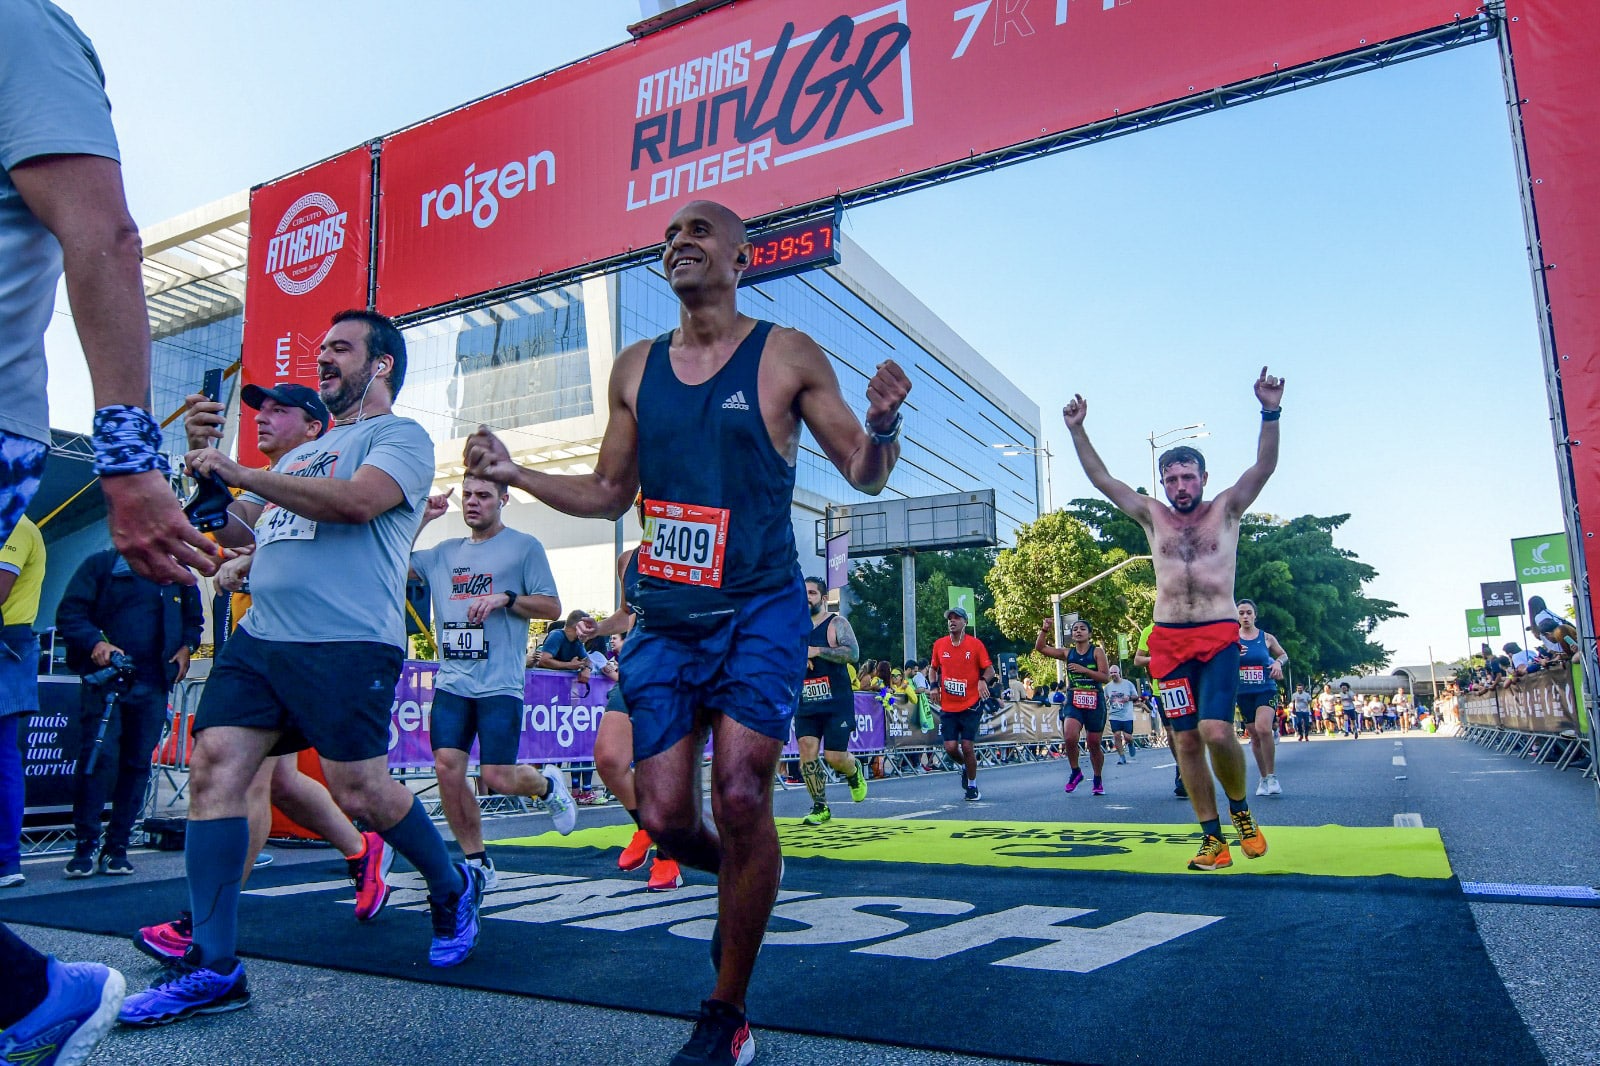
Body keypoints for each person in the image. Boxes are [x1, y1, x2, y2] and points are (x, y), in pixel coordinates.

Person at [462, 199, 910, 1066]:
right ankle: (748, 883)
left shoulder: (785, 354)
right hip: (667, 615)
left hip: (760, 609)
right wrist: (516, 470)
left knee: (741, 794)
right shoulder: (634, 368)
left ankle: (725, 1009)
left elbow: (864, 470)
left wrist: (884, 424)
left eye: (699, 233)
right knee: (666, 816)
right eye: (670, 237)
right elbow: (608, 493)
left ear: (742, 259)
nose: (679, 244)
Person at [119, 310, 487, 1029]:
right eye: (321, 349)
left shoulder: (398, 437)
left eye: (340, 350)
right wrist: (206, 473)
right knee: (215, 767)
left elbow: (357, 504)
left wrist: (241, 469)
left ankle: (450, 883)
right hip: (263, 642)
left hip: (347, 642)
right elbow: (240, 527)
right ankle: (214, 966)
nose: (324, 359)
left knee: (362, 791)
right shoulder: (296, 458)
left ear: (380, 366)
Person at [2, 1, 229, 1056]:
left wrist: (134, 461)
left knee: (153, 769)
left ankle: (32, 992)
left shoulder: (19, 29)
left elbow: (107, 233)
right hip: (117, 661)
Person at [136, 382, 387, 962]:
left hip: (319, 645)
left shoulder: (326, 475)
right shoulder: (260, 487)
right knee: (267, 781)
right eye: (259, 410)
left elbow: (339, 539)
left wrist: (248, 561)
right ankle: (359, 850)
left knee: (280, 782)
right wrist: (204, 467)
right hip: (255, 644)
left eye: (280, 410)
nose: (264, 419)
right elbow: (221, 526)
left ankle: (204, 922)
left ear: (314, 428)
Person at [1064, 367, 1283, 871]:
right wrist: (1078, 430)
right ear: (1163, 482)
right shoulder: (1151, 515)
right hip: (1168, 640)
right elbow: (1103, 481)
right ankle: (1213, 839)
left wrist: (1269, 412)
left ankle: (1241, 810)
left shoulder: (1226, 509)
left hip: (1217, 634)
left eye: (1189, 477)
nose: (1180, 486)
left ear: (1203, 478)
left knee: (1216, 731)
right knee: (1184, 739)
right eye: (1172, 478)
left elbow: (1264, 467)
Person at [411, 475, 576, 889]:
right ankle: (477, 859)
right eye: (467, 495)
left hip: (500, 683)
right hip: (453, 682)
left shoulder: (524, 547)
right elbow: (389, 561)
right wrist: (422, 519)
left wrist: (506, 598)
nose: (472, 502)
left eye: (483, 496)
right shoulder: (442, 554)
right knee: (448, 768)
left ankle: (547, 784)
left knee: (499, 775)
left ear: (503, 499)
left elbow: (552, 604)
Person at [54, 548, 202, 877]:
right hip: (107, 681)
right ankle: (85, 845)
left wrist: (187, 647)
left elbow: (194, 622)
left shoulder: (178, 572)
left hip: (153, 683)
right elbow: (70, 614)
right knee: (99, 759)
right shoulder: (101, 565)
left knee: (137, 764)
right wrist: (96, 643)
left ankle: (117, 846)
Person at [590, 518, 683, 892]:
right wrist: (597, 628)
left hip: (680, 668)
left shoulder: (697, 549)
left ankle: (668, 857)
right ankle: (648, 827)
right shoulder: (628, 559)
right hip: (638, 667)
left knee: (659, 768)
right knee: (609, 758)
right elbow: (627, 615)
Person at [794, 577, 867, 825]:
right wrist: (797, 659)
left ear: (824, 599)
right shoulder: (794, 627)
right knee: (806, 750)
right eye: (803, 593)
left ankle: (853, 771)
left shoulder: (836, 623)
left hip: (836, 701)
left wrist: (817, 651)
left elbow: (853, 654)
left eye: (812, 593)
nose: (806, 597)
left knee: (834, 757)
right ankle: (819, 806)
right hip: (806, 700)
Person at [1, 516, 45, 889]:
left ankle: (5, 859)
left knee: (2, 757)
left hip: (7, 645)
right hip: (11, 645)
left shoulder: (14, 525)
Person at [1034, 618, 1109, 794]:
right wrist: (1044, 630)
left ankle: (1097, 778)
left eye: (1083, 628)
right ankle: (1076, 771)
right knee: (1069, 736)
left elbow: (1105, 677)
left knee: (1093, 743)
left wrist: (1085, 671)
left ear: (1089, 634)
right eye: (1075, 629)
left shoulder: (1097, 652)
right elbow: (1041, 648)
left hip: (1094, 699)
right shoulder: (1068, 653)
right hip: (1074, 698)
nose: (1078, 631)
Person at [930, 607, 995, 802]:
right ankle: (967, 766)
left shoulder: (975, 645)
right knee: (950, 748)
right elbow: (933, 668)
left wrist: (983, 680)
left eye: (957, 618)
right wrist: (933, 685)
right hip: (949, 706)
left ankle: (972, 787)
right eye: (950, 618)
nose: (952, 621)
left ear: (965, 622)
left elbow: (990, 669)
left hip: (971, 704)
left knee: (967, 746)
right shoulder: (940, 645)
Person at [1235, 599, 1288, 797]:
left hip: (1265, 688)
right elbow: (1219, 660)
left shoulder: (1266, 637)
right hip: (1243, 692)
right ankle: (1263, 777)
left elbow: (1283, 655)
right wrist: (1234, 655)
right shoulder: (1232, 639)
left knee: (1264, 728)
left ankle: (1273, 776)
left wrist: (1277, 664)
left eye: (1249, 612)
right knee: (1255, 735)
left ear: (1255, 615)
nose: (1245, 616)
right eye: (1241, 613)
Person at [1134, 622, 1184, 795]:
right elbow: (1138, 659)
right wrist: (1155, 659)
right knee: (1171, 731)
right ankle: (1182, 770)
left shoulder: (1183, 626)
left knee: (1186, 731)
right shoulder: (1149, 630)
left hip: (1185, 685)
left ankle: (1191, 767)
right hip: (1162, 688)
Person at [1101, 665, 1138, 763]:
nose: (1113, 675)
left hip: (1126, 715)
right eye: (1111, 673)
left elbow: (1136, 696)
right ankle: (1122, 757)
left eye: (1115, 673)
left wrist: (1128, 698)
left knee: (1127, 736)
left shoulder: (1128, 684)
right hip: (1114, 715)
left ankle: (1131, 743)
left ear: (1119, 673)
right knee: (1116, 735)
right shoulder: (1108, 687)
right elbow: (1104, 698)